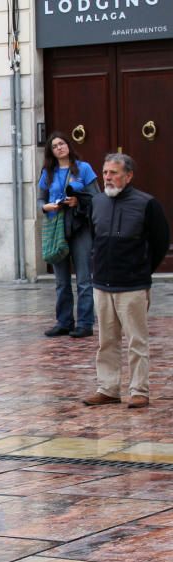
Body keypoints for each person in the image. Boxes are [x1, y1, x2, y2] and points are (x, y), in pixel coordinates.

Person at [83, 153, 169, 409]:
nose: (107, 177)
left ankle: (139, 390)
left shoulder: (146, 204)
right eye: (105, 172)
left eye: (114, 173)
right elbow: (93, 237)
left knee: (136, 341)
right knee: (106, 341)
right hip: (102, 284)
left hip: (132, 285)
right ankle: (107, 389)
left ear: (128, 176)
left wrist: (142, 270)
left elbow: (160, 242)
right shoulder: (97, 202)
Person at [38, 132, 99, 339]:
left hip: (79, 227)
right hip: (56, 228)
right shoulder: (48, 173)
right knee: (61, 281)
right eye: (54, 146)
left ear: (68, 146)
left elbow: (97, 198)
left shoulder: (84, 168)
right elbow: (39, 201)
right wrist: (45, 207)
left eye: (62, 143)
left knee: (83, 278)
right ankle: (64, 321)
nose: (59, 148)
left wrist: (77, 202)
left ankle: (85, 323)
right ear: (51, 152)